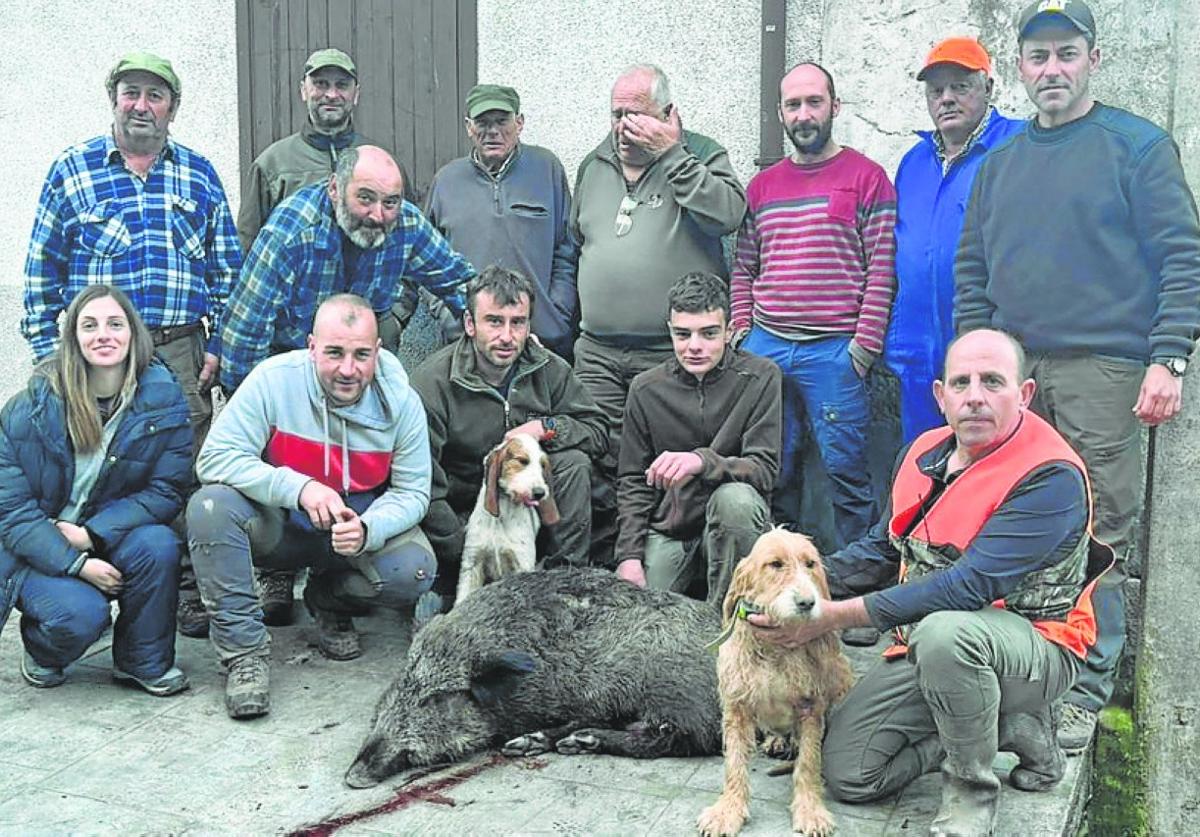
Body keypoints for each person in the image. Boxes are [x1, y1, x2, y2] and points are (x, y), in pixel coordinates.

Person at [955, 0, 1200, 752]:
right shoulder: (998, 165)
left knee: (1099, 531)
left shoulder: (1138, 147)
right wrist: (977, 369)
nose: (1052, 69)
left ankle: (1084, 692)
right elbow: (974, 271)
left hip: (1105, 371)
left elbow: (1182, 258)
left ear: (1094, 58)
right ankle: (1023, 680)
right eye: (1038, 57)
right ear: (1020, 70)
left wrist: (1169, 357)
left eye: (1066, 53)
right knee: (1019, 525)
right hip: (1017, 379)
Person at [750, 329, 1109, 836]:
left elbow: (969, 586)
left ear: (1023, 394)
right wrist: (796, 584)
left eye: (992, 382)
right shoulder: (922, 453)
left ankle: (970, 796)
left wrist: (834, 617)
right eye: (961, 383)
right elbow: (882, 548)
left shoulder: (1050, 477)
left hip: (1036, 649)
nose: (975, 396)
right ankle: (1012, 728)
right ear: (940, 396)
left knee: (946, 632)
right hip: (932, 649)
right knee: (849, 773)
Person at [22, 50, 241, 644]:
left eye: (155, 95)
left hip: (176, 351)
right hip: (92, 357)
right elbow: (42, 273)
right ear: (113, 98)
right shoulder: (73, 170)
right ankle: (76, 587)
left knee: (178, 475)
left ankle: (183, 595)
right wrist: (51, 358)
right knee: (90, 470)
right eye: (131, 93)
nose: (141, 105)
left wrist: (216, 346)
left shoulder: (197, 173)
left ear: (173, 107)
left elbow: (227, 271)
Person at [188, 295, 436, 720]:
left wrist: (370, 528)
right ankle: (244, 655)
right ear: (311, 347)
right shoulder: (272, 380)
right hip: (281, 522)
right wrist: (299, 488)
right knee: (210, 507)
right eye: (334, 353)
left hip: (351, 524)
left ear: (378, 353)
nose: (348, 369)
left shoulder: (403, 404)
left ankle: (330, 603)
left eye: (362, 355)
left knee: (414, 568)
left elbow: (414, 492)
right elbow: (213, 458)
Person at [571, 63, 746, 565]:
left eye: (638, 115)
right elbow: (576, 242)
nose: (624, 126)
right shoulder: (594, 164)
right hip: (599, 349)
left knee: (664, 461)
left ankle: (665, 563)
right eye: (616, 114)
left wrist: (671, 153)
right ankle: (610, 566)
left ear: (670, 115)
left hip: (670, 350)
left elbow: (727, 215)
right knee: (602, 458)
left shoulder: (702, 153)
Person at [731, 61, 897, 549]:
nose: (803, 114)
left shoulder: (868, 178)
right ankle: (777, 578)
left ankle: (853, 587)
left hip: (835, 353)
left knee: (846, 475)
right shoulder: (762, 187)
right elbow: (743, 266)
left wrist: (862, 350)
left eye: (813, 102)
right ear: (781, 113)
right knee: (772, 469)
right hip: (767, 350)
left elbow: (882, 269)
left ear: (834, 106)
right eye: (793, 105)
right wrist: (743, 332)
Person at [0, 285, 193, 696]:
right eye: (89, 325)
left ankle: (141, 661)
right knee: (80, 616)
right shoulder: (30, 407)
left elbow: (167, 490)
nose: (103, 334)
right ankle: (44, 650)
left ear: (133, 334)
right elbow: (12, 512)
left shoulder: (164, 397)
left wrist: (93, 535)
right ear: (73, 337)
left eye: (114, 324)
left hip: (105, 532)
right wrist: (76, 563)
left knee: (158, 544)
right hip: (36, 542)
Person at [411, 266, 607, 607]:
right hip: (459, 515)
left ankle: (564, 586)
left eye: (518, 322)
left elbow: (597, 430)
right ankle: (442, 586)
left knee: (574, 462)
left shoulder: (549, 369)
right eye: (494, 321)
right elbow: (420, 478)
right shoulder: (433, 382)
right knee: (428, 581)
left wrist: (546, 427)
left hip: (529, 513)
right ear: (470, 325)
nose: (507, 336)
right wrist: (463, 545)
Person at [220, 145, 474, 394]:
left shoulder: (407, 224)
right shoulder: (290, 234)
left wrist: (491, 333)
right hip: (293, 367)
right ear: (334, 189)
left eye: (390, 202)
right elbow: (245, 333)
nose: (377, 215)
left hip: (361, 364)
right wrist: (259, 411)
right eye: (365, 198)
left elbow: (459, 284)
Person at [886, 38, 1025, 443]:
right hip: (917, 358)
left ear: (988, 87)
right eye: (936, 90)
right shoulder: (913, 162)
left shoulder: (1015, 148)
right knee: (926, 464)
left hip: (988, 349)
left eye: (960, 87)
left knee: (991, 468)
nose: (946, 98)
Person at [614, 272, 780, 607]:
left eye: (708, 333)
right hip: (672, 528)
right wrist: (628, 556)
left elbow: (765, 469)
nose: (694, 346)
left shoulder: (761, 377)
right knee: (644, 616)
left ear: (730, 331)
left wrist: (701, 461)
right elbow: (632, 479)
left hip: (737, 524)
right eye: (683, 334)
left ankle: (729, 620)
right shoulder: (646, 389)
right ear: (669, 330)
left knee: (736, 501)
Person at [424, 84, 578, 359]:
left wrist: (555, 314)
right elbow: (426, 258)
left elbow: (567, 249)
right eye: (483, 122)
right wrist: (449, 314)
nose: (492, 131)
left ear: (519, 123)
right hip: (466, 343)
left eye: (502, 121)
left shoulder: (547, 169)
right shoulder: (446, 181)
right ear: (468, 127)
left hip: (539, 342)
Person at [236, 48, 378, 253]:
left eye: (342, 85)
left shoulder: (380, 161)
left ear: (356, 94)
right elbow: (247, 249)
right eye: (321, 84)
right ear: (303, 90)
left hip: (368, 285)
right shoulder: (272, 165)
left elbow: (408, 242)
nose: (331, 94)